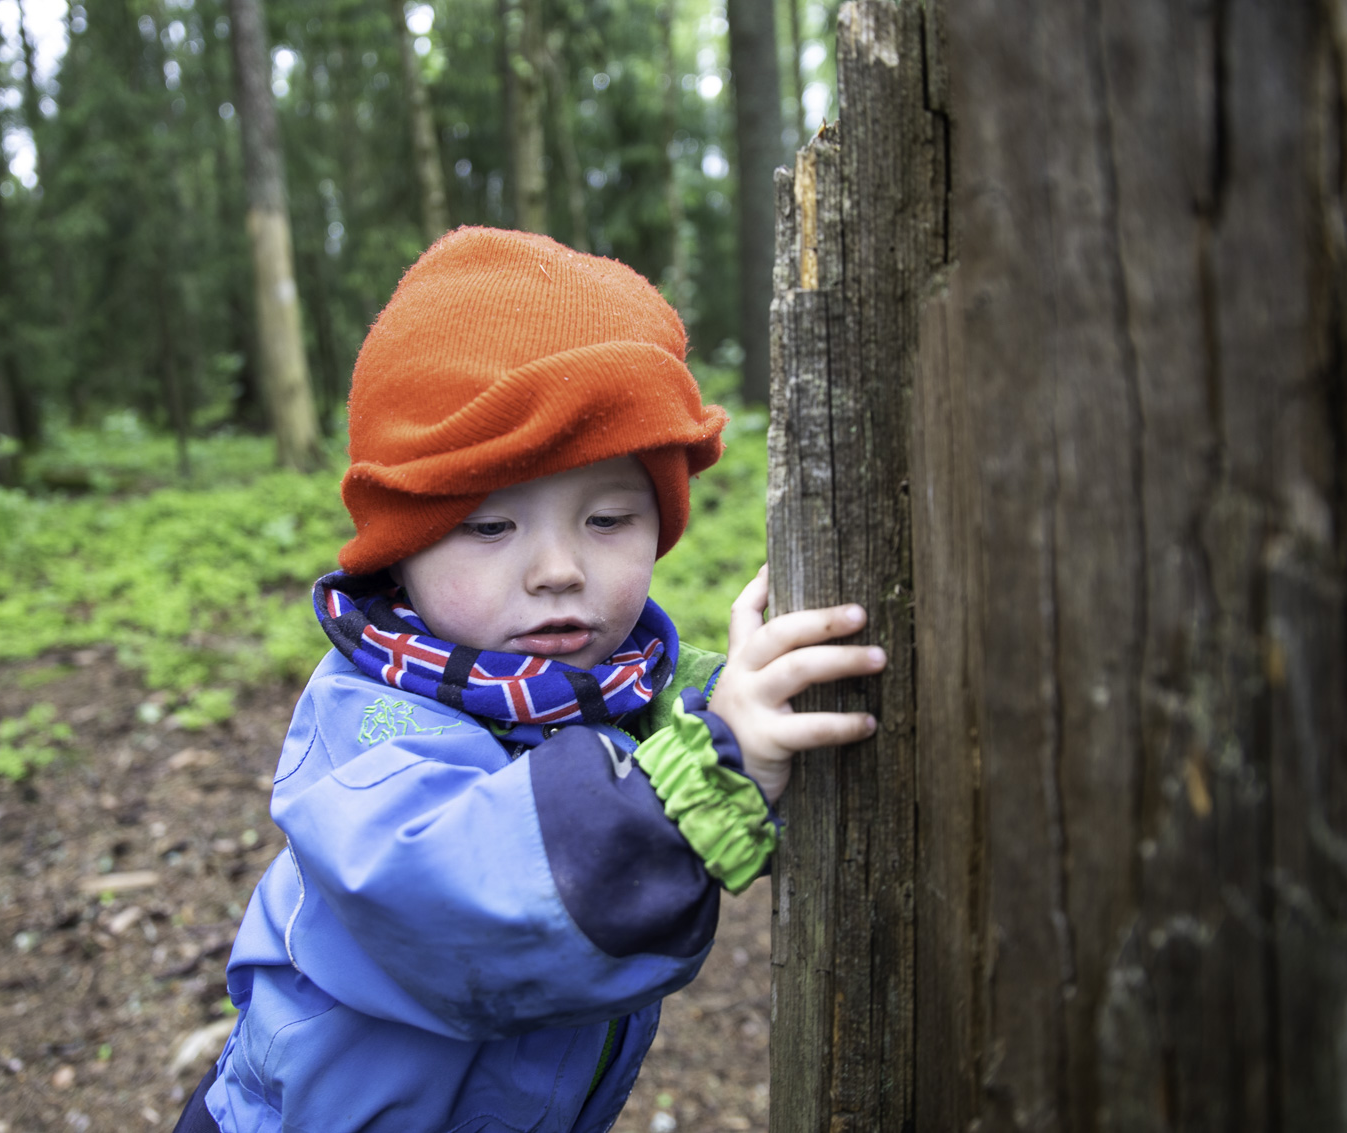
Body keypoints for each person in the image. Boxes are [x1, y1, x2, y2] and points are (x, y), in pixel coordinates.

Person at [174, 227, 885, 1133]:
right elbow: (464, 897)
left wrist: (752, 701)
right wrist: (714, 768)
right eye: (491, 528)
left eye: (607, 517)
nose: (557, 568)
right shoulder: (371, 729)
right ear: (401, 549)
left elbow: (663, 742)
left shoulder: (619, 693)